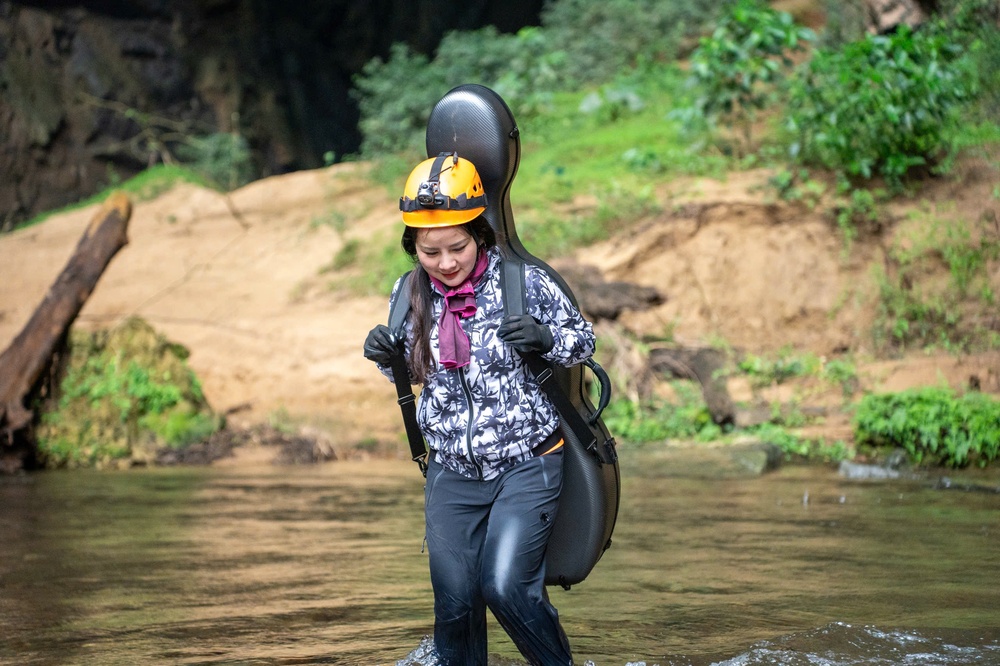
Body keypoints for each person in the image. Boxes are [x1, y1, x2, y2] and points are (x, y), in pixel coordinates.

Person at [363, 152, 596, 666]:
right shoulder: (407, 294)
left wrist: (544, 338)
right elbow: (411, 373)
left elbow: (582, 344)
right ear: (414, 248)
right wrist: (387, 356)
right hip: (451, 470)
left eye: (458, 247)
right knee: (454, 603)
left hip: (527, 461)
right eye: (430, 252)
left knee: (505, 586)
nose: (445, 263)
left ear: (481, 233)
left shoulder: (525, 282)